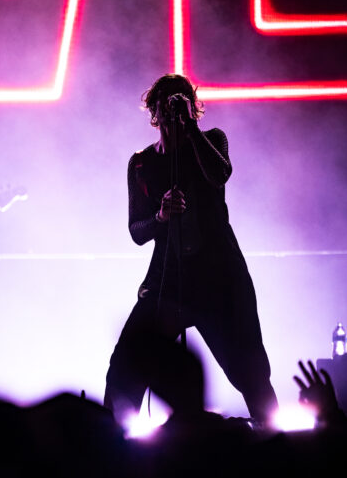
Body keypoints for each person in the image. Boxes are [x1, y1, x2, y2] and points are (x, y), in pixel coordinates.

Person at [104, 74, 278, 426]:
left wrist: (191, 129)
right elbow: (137, 231)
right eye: (166, 103)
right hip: (168, 281)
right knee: (126, 364)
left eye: (181, 102)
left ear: (192, 107)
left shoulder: (212, 140)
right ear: (153, 111)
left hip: (220, 279)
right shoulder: (141, 163)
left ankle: (275, 439)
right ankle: (110, 440)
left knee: (249, 370)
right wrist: (160, 216)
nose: (172, 111)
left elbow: (220, 174)